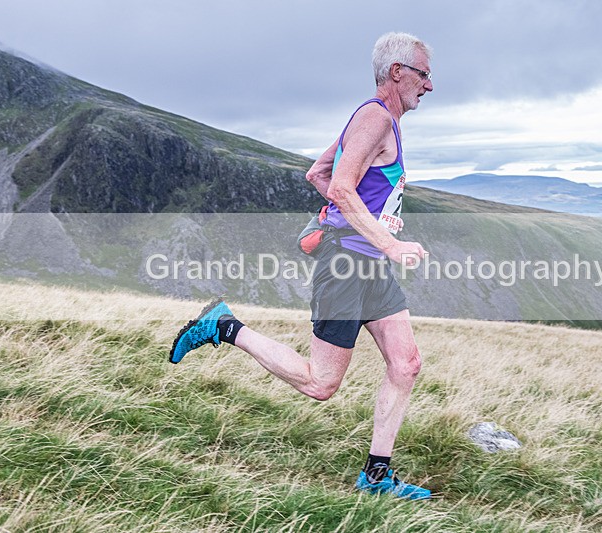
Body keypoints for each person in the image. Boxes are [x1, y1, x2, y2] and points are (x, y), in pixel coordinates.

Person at [169, 31, 434, 500]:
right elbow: (340, 189)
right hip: (347, 264)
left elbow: (318, 173)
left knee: (406, 363)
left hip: (368, 263)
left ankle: (375, 480)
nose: (429, 85)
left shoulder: (378, 120)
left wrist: (371, 225)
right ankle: (224, 326)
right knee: (320, 383)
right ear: (397, 72)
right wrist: (387, 243)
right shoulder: (374, 118)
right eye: (423, 74)